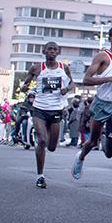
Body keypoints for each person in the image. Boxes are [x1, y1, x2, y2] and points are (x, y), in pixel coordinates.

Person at [73, 26, 112, 189]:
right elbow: (86, 79)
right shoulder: (103, 56)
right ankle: (81, 158)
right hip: (102, 103)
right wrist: (111, 78)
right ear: (110, 38)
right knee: (93, 141)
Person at [19, 42, 74, 188]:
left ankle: (47, 146)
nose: (52, 51)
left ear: (58, 52)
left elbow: (72, 84)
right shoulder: (37, 68)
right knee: (42, 141)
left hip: (56, 109)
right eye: (49, 49)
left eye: (55, 49)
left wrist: (66, 89)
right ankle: (40, 176)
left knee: (52, 146)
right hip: (40, 108)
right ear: (44, 51)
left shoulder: (64, 68)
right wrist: (24, 88)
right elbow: (26, 84)